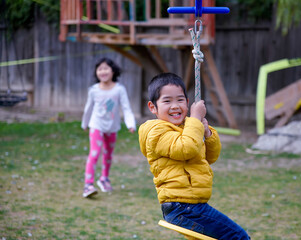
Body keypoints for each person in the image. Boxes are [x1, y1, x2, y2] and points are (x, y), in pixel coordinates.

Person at [138, 73, 250, 239]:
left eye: (180, 100)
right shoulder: (156, 132)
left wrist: (207, 133)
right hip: (183, 207)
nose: (175, 105)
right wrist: (196, 119)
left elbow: (210, 157)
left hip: (191, 206)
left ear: (187, 102)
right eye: (167, 101)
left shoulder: (189, 129)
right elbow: (186, 149)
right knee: (238, 237)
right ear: (153, 107)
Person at [81, 57, 136, 198]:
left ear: (113, 71)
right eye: (100, 69)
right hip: (96, 125)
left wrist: (131, 124)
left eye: (106, 68)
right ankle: (88, 185)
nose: (103, 71)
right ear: (96, 72)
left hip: (112, 127)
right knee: (94, 153)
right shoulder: (93, 90)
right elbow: (88, 108)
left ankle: (104, 179)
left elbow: (126, 108)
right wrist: (85, 123)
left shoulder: (119, 89)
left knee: (108, 155)